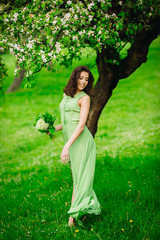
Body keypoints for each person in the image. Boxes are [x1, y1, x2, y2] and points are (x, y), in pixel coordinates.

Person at [47, 65, 101, 227]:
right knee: (78, 179)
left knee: (79, 180)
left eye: (87, 79)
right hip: (71, 142)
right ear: (75, 77)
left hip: (82, 142)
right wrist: (51, 129)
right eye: (81, 78)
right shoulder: (67, 94)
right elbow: (67, 121)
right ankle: (84, 210)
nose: (83, 82)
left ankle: (72, 220)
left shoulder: (85, 98)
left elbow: (81, 124)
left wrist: (66, 146)